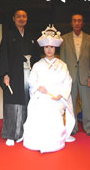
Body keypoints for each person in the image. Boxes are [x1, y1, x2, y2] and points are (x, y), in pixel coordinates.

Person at [22, 25, 75, 153]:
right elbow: (32, 81)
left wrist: (61, 94)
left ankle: (55, 141)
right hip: (41, 95)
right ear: (43, 48)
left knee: (52, 109)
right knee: (37, 108)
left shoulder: (62, 65)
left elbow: (67, 82)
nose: (49, 49)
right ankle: (37, 140)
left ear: (55, 47)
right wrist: (38, 87)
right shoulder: (37, 65)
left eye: (51, 47)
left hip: (57, 96)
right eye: (47, 47)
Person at [0, 9, 41, 146]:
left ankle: (25, 132)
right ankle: (11, 134)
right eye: (18, 16)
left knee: (29, 102)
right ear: (13, 18)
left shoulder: (31, 36)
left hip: (29, 73)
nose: (21, 19)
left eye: (24, 16)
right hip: (14, 74)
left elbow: (37, 57)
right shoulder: (9, 35)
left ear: (27, 18)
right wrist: (5, 74)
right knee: (13, 102)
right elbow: (3, 56)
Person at [60, 14, 90, 136]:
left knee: (87, 103)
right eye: (74, 20)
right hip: (70, 76)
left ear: (82, 23)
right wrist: (63, 77)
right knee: (71, 103)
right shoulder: (64, 39)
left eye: (79, 21)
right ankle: (73, 127)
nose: (77, 23)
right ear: (71, 23)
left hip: (85, 75)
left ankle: (88, 127)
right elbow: (63, 59)